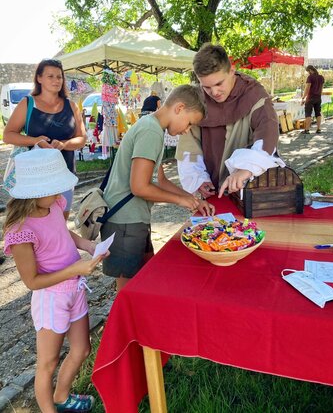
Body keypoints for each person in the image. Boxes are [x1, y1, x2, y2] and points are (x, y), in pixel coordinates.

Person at [3, 148, 108, 413]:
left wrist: (86, 244)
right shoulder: (21, 231)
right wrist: (76, 268)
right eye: (55, 187)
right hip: (51, 298)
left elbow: (63, 232)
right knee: (46, 365)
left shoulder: (53, 204)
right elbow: (32, 282)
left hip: (75, 289)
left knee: (82, 349)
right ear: (35, 191)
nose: (62, 193)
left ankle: (61, 397)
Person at [101, 84, 215, 291]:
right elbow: (139, 187)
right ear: (179, 108)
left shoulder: (152, 127)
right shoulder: (151, 131)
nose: (187, 130)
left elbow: (160, 181)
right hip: (125, 221)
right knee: (129, 289)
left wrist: (193, 199)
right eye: (189, 123)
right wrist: (182, 201)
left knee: (146, 277)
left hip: (134, 219)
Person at [176, 43, 284, 199]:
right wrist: (199, 180)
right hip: (212, 191)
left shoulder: (254, 94)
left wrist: (246, 169)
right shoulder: (198, 100)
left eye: (219, 83)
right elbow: (189, 148)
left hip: (249, 189)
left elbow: (267, 139)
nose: (214, 92)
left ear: (231, 70)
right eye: (206, 87)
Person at [3, 59, 87, 218]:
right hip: (33, 178)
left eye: (59, 77)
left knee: (60, 224)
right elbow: (8, 135)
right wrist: (35, 141)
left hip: (64, 174)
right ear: (39, 78)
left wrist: (63, 144)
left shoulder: (71, 106)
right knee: (32, 225)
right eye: (51, 76)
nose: (56, 80)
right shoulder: (27, 104)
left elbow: (82, 138)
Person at [301, 65, 325, 134]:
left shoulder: (310, 77)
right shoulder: (321, 77)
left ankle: (307, 130)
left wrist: (303, 97)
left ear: (311, 70)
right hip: (318, 97)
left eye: (308, 71)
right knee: (318, 113)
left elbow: (307, 88)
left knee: (308, 113)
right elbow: (321, 89)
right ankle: (318, 129)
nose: (308, 73)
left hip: (310, 97)